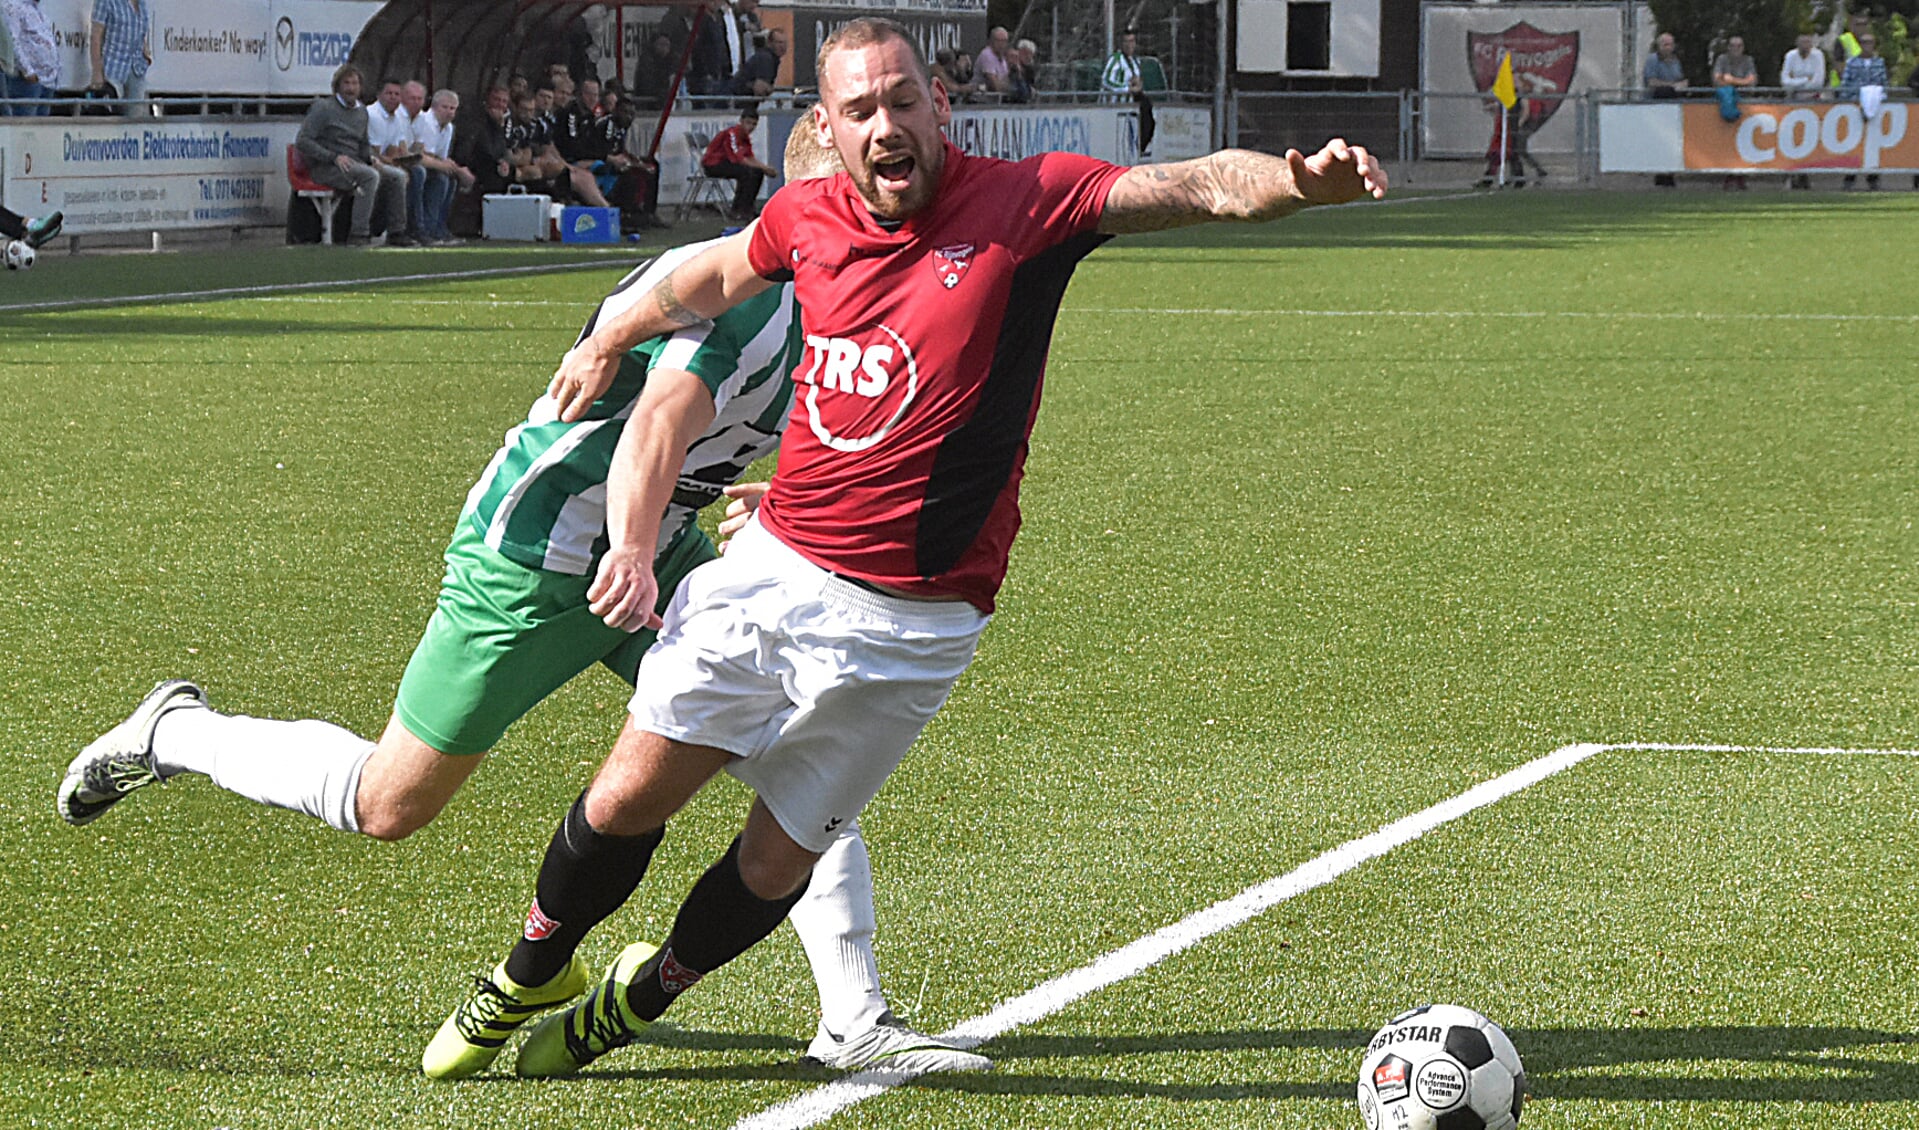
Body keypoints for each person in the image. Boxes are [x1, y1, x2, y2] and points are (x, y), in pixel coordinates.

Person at [504, 15, 1385, 1079]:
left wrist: (1294, 185)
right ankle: (518, 975)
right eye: (861, 109)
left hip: (917, 623)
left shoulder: (1027, 202)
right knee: (625, 797)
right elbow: (707, 277)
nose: (887, 123)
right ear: (828, 125)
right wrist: (607, 334)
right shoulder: (803, 214)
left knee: (778, 856)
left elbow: (1193, 184)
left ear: (940, 106)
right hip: (772, 571)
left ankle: (630, 1003)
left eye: (902, 100)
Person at [59, 118, 989, 1082]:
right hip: (542, 553)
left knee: (800, 762)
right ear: (819, 201)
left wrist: (742, 499)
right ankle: (175, 733)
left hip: (652, 549)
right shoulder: (748, 296)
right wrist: (632, 539)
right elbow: (658, 427)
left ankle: (853, 1018)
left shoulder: (845, 294)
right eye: (872, 186)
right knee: (389, 802)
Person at [295, 64, 408, 246]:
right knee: (370, 176)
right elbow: (303, 141)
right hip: (326, 167)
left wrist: (371, 158)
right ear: (338, 86)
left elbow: (362, 144)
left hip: (354, 164)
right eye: (346, 83)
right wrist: (333, 157)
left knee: (397, 176)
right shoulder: (323, 108)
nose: (351, 88)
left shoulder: (361, 111)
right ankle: (359, 233)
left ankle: (397, 231)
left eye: (355, 83)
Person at [410, 88, 474, 244]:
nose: (449, 112)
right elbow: (420, 155)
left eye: (453, 108)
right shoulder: (426, 121)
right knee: (440, 178)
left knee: (449, 179)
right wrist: (456, 169)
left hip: (428, 163)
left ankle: (440, 227)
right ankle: (425, 229)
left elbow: (440, 157)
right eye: (445, 107)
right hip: (412, 162)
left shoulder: (449, 128)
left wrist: (455, 169)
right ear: (434, 107)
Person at [364, 78, 419, 244]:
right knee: (398, 176)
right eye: (389, 93)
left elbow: (393, 151)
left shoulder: (395, 118)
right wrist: (397, 166)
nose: (393, 97)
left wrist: (400, 163)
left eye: (397, 94)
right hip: (367, 160)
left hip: (379, 161)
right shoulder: (373, 115)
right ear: (379, 95)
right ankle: (396, 231)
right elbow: (375, 153)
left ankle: (416, 228)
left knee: (417, 172)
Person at [700, 103, 776, 220]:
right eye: (748, 123)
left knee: (756, 172)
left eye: (754, 124)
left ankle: (747, 207)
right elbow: (740, 158)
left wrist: (763, 168)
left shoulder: (745, 138)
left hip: (726, 163)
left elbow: (750, 157)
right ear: (741, 121)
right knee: (747, 173)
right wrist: (764, 168)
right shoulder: (732, 134)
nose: (750, 127)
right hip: (712, 164)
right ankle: (739, 209)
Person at [1839, 31, 1887, 190]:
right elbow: (1846, 84)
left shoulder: (1879, 63)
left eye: (1870, 42)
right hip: (1856, 105)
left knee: (1873, 142)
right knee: (1854, 141)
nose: (1868, 46)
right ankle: (1850, 177)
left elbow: (1883, 83)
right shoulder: (1852, 63)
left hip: (1874, 107)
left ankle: (1873, 177)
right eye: (1865, 42)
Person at [88, 0, 149, 116]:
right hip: (113, 68)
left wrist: (145, 50)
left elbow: (141, 32)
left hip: (136, 69)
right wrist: (97, 71)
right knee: (110, 117)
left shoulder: (142, 3)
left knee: (135, 118)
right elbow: (96, 36)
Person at [1712, 37, 1757, 190]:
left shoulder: (1748, 60)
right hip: (1727, 107)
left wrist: (1732, 81)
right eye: (1733, 46)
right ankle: (1729, 176)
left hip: (1745, 106)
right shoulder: (1722, 60)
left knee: (1744, 142)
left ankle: (1740, 176)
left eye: (1739, 46)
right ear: (1728, 48)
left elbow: (1752, 81)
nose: (1736, 48)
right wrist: (1740, 82)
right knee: (1727, 142)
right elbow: (1717, 80)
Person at [1643, 33, 1686, 187]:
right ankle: (1661, 175)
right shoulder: (1653, 60)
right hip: (1657, 103)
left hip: (1673, 104)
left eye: (1670, 44)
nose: (1668, 48)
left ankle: (1669, 174)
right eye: (1664, 44)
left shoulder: (1675, 61)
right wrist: (1672, 85)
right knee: (1660, 139)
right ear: (1658, 45)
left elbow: (1679, 79)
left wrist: (1682, 84)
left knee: (1672, 140)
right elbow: (1652, 81)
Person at [2, 0, 58, 117]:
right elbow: (13, 41)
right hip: (27, 80)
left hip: (47, 80)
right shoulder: (13, 6)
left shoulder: (36, 9)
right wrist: (28, 71)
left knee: (42, 127)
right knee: (25, 127)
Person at [1102, 30, 1154, 155]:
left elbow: (1137, 81)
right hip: (1117, 106)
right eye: (1126, 41)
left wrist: (1137, 85)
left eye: (1131, 41)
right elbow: (1107, 80)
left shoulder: (1135, 61)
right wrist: (1126, 89)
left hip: (1132, 106)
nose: (1129, 45)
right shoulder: (1116, 59)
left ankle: (1140, 147)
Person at [731, 26, 785, 99]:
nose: (783, 46)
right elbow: (760, 89)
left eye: (784, 43)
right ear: (769, 43)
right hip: (737, 101)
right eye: (779, 42)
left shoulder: (770, 58)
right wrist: (769, 89)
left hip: (742, 99)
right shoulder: (766, 58)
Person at [975, 25, 1012, 94]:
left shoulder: (1002, 59)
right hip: (980, 101)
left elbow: (1007, 81)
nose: (1001, 44)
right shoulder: (987, 55)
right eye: (998, 41)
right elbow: (995, 86)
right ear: (991, 41)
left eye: (1004, 41)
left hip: (997, 101)